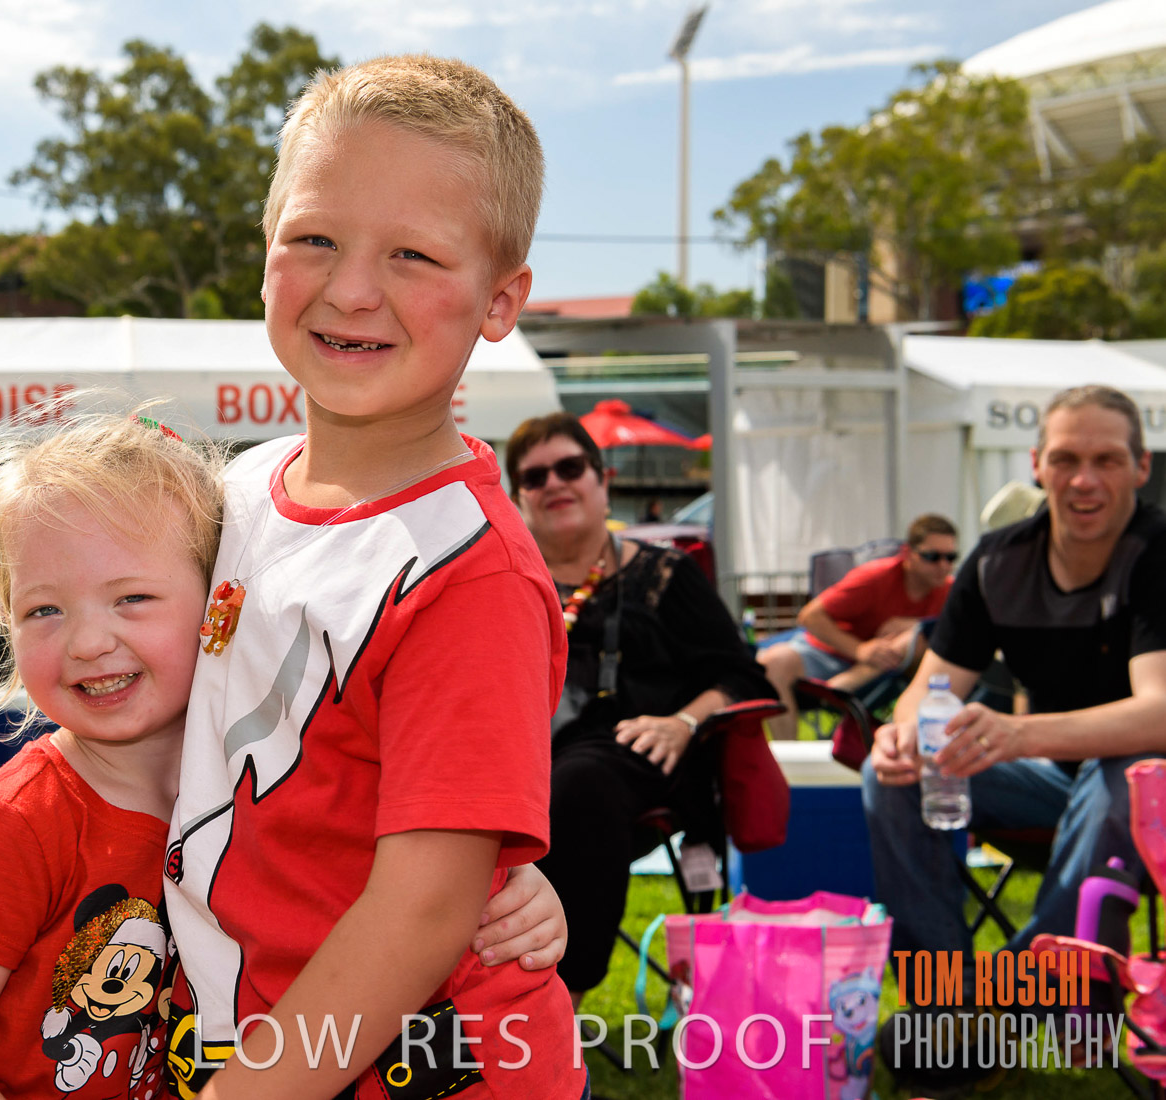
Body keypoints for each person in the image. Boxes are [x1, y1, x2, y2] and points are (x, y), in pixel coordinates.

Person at [0, 413, 563, 1100]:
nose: (87, 641)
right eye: (42, 610)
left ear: (222, 603)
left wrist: (506, 880)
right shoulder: (12, 830)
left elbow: (378, 829)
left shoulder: (242, 775)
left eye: (132, 598)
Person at [164, 56, 580, 1100]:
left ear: (501, 300)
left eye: (413, 254)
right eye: (314, 238)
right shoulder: (236, 492)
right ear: (265, 250)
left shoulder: (469, 574)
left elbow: (421, 912)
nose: (351, 289)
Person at [865, 385, 1166, 1048]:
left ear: (1142, 468)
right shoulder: (999, 559)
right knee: (893, 773)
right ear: (1036, 464)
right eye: (1065, 459)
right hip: (1052, 779)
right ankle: (942, 997)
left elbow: (1159, 714)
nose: (1084, 480)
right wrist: (903, 732)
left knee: (1123, 771)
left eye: (1107, 460)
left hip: (1147, 798)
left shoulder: (1157, 554)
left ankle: (1022, 991)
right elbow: (930, 685)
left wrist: (1019, 734)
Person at [506, 412, 777, 1006]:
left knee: (578, 785)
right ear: (519, 497)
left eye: (569, 467)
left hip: (639, 751)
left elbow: (741, 676)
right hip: (527, 758)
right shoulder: (505, 582)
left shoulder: (665, 573)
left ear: (603, 479)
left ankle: (560, 996)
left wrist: (683, 721)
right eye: (535, 476)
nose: (554, 484)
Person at [759, 513, 958, 737]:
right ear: (908, 553)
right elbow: (809, 616)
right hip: (829, 653)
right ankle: (787, 754)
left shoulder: (951, 591)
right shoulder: (875, 577)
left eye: (951, 557)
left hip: (885, 670)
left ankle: (842, 690)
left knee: (919, 638)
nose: (943, 566)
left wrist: (914, 625)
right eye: (932, 556)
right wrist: (860, 649)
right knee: (773, 661)